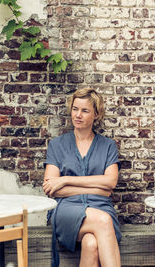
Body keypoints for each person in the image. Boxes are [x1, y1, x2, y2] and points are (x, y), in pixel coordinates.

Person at [43, 88, 122, 267]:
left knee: (91, 243)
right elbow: (50, 189)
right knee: (103, 221)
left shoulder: (107, 146)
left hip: (101, 207)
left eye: (85, 110)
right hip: (66, 211)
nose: (78, 115)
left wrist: (65, 179)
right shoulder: (57, 145)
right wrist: (97, 187)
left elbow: (110, 182)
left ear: (96, 114)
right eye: (75, 109)